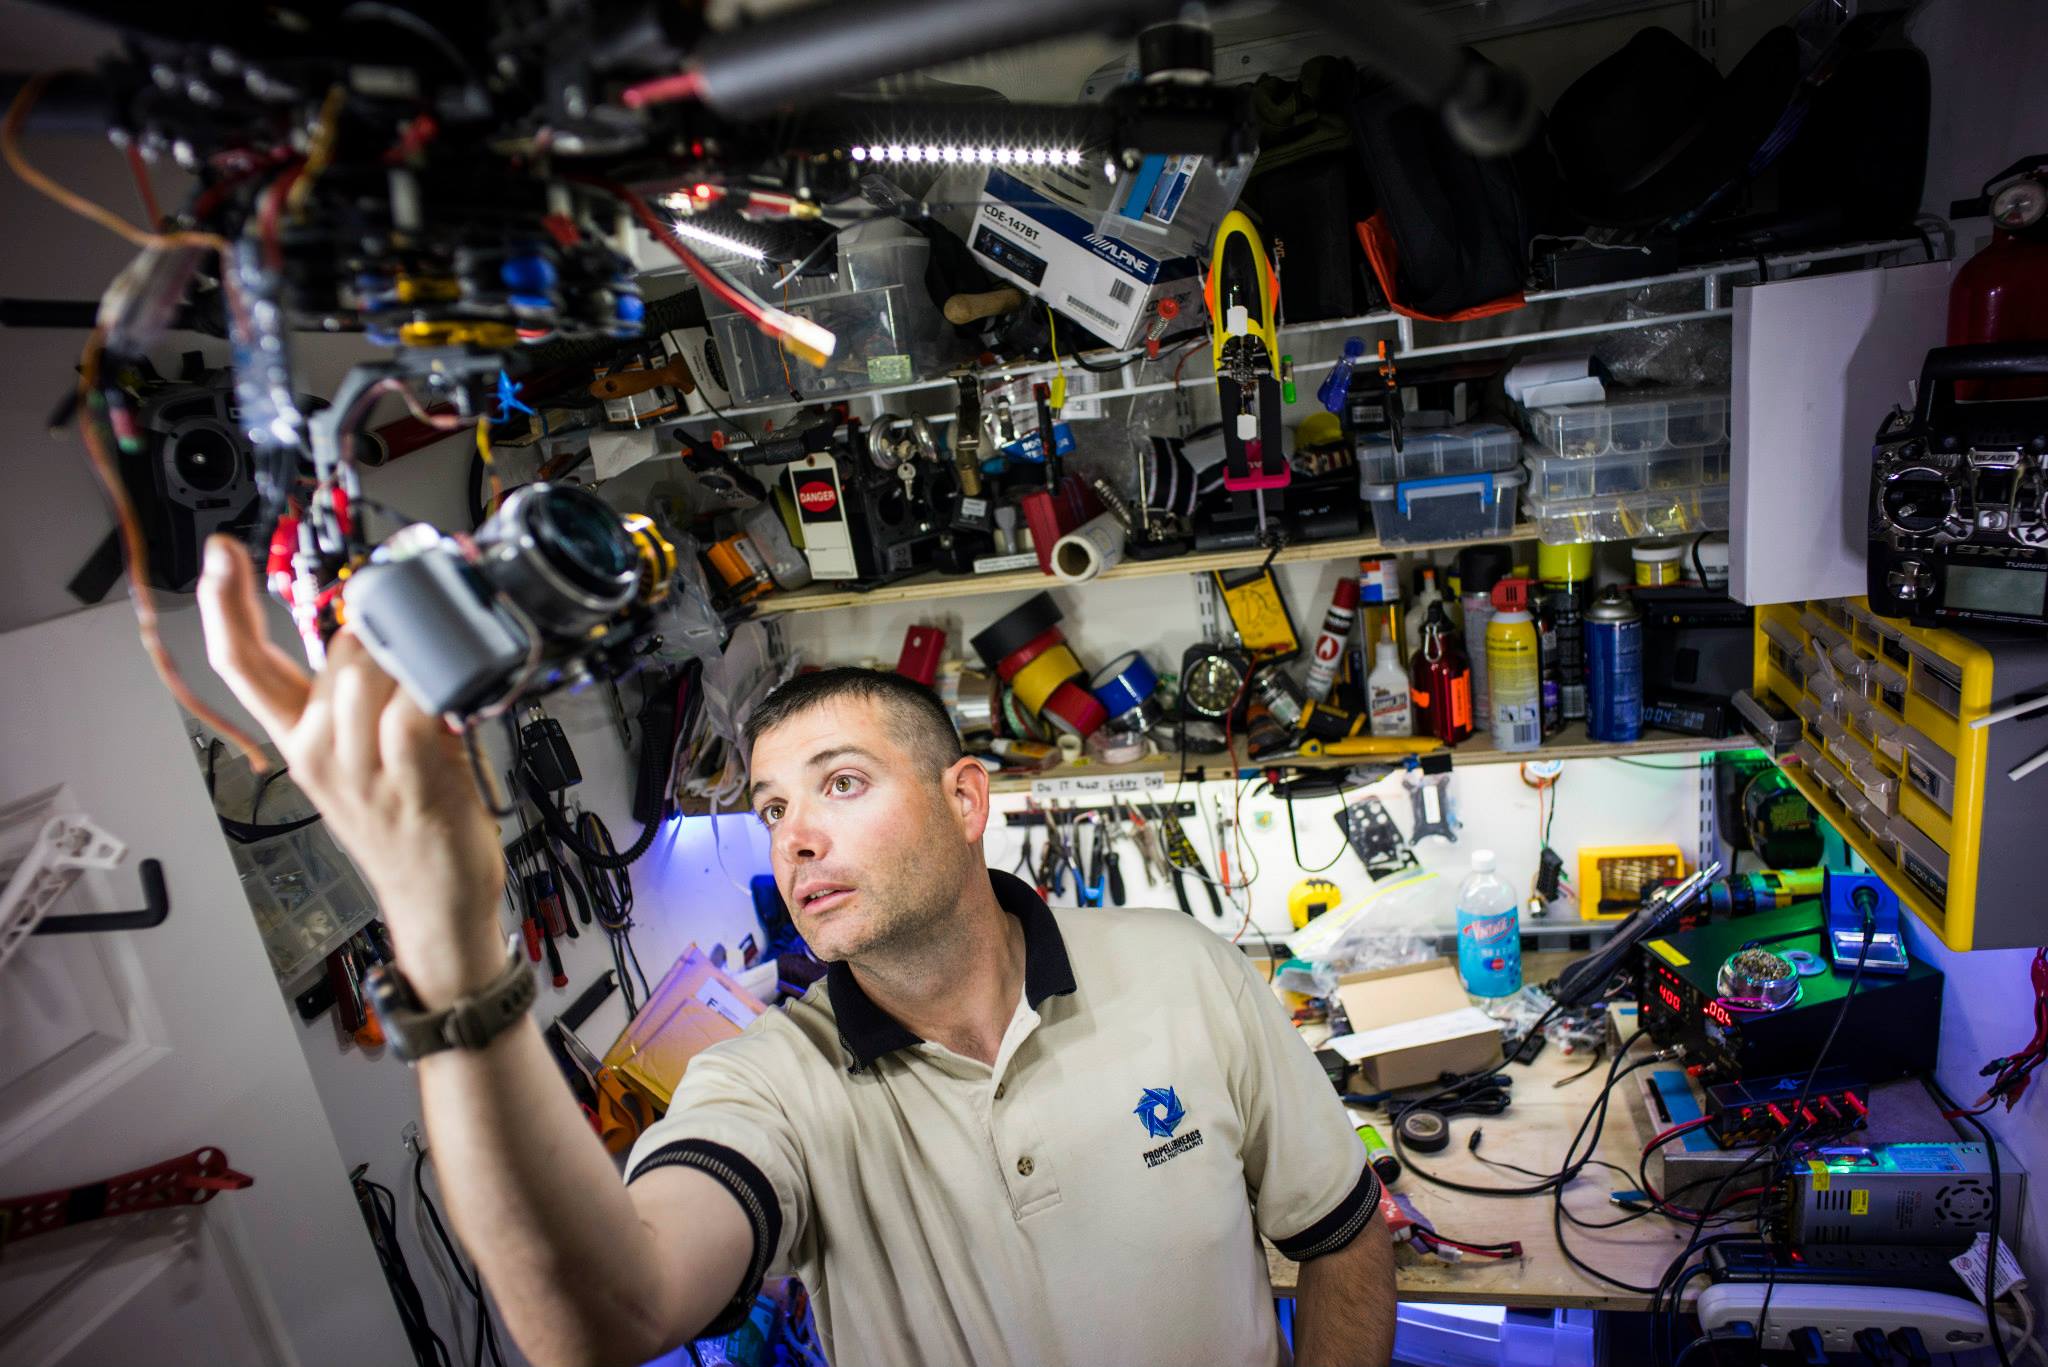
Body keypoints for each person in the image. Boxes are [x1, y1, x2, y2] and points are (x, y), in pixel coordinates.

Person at [196, 534, 1397, 1367]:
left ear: (965, 798)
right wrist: (450, 938)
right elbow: (603, 1318)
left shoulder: (1180, 967)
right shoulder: (761, 1079)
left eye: (841, 782)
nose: (796, 835)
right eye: (772, 807)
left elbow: (1342, 1234)